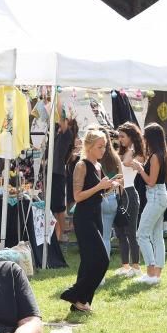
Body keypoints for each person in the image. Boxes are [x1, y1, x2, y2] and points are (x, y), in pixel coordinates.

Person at [61, 128, 117, 312]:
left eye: (105, 147)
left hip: (96, 215)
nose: (103, 150)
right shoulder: (81, 165)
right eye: (100, 147)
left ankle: (81, 303)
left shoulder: (98, 166)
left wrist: (110, 186)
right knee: (101, 259)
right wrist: (100, 186)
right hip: (84, 217)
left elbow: (98, 193)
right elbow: (77, 196)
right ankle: (75, 293)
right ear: (89, 147)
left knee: (88, 262)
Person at [133, 123, 167, 285]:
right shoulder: (161, 153)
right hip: (158, 196)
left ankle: (151, 271)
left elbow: (151, 181)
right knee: (156, 235)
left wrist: (140, 168)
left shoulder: (156, 156)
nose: (143, 139)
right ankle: (156, 274)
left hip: (156, 195)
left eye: (145, 137)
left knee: (142, 234)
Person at [113, 123, 143, 277]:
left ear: (131, 136)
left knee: (131, 231)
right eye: (119, 136)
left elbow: (126, 164)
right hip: (118, 194)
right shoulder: (123, 152)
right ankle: (125, 266)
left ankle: (136, 266)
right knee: (120, 231)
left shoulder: (137, 153)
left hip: (130, 193)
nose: (120, 140)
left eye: (123, 136)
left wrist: (130, 148)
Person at [51, 111, 77, 242]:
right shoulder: (59, 135)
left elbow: (61, 119)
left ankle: (63, 234)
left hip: (58, 174)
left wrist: (58, 106)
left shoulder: (67, 135)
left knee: (59, 207)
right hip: (53, 173)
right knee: (54, 207)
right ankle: (58, 234)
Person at [99, 130, 123, 258]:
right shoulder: (115, 157)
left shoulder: (96, 157)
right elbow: (122, 179)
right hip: (112, 198)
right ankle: (103, 266)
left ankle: (99, 271)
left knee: (99, 237)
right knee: (106, 237)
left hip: (99, 198)